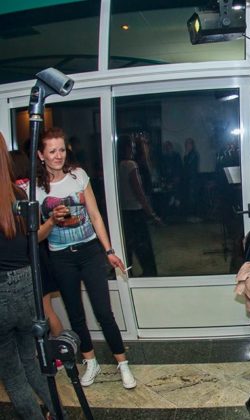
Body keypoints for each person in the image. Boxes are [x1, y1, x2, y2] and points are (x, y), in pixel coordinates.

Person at [35, 127, 137, 389]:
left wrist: (109, 251)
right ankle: (90, 362)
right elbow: (36, 236)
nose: (58, 155)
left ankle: (123, 363)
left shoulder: (78, 175)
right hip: (60, 258)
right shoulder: (35, 189)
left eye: (61, 149)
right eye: (52, 151)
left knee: (104, 312)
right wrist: (52, 220)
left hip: (90, 252)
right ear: (41, 155)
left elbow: (95, 215)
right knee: (76, 314)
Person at [0, 133, 55, 419]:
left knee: (12, 373)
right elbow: (29, 243)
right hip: (26, 285)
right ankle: (59, 413)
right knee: (32, 362)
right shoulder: (19, 195)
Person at [10, 150, 64, 338]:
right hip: (41, 253)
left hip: (30, 257)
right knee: (47, 309)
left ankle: (56, 349)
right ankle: (63, 349)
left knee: (41, 311)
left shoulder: (16, 193)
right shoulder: (34, 188)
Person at [117, 134, 159, 277]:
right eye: (132, 146)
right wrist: (151, 213)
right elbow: (139, 191)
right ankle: (149, 275)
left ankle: (127, 274)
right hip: (135, 211)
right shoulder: (130, 165)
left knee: (128, 246)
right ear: (127, 147)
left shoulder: (117, 165)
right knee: (143, 246)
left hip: (123, 211)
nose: (134, 149)